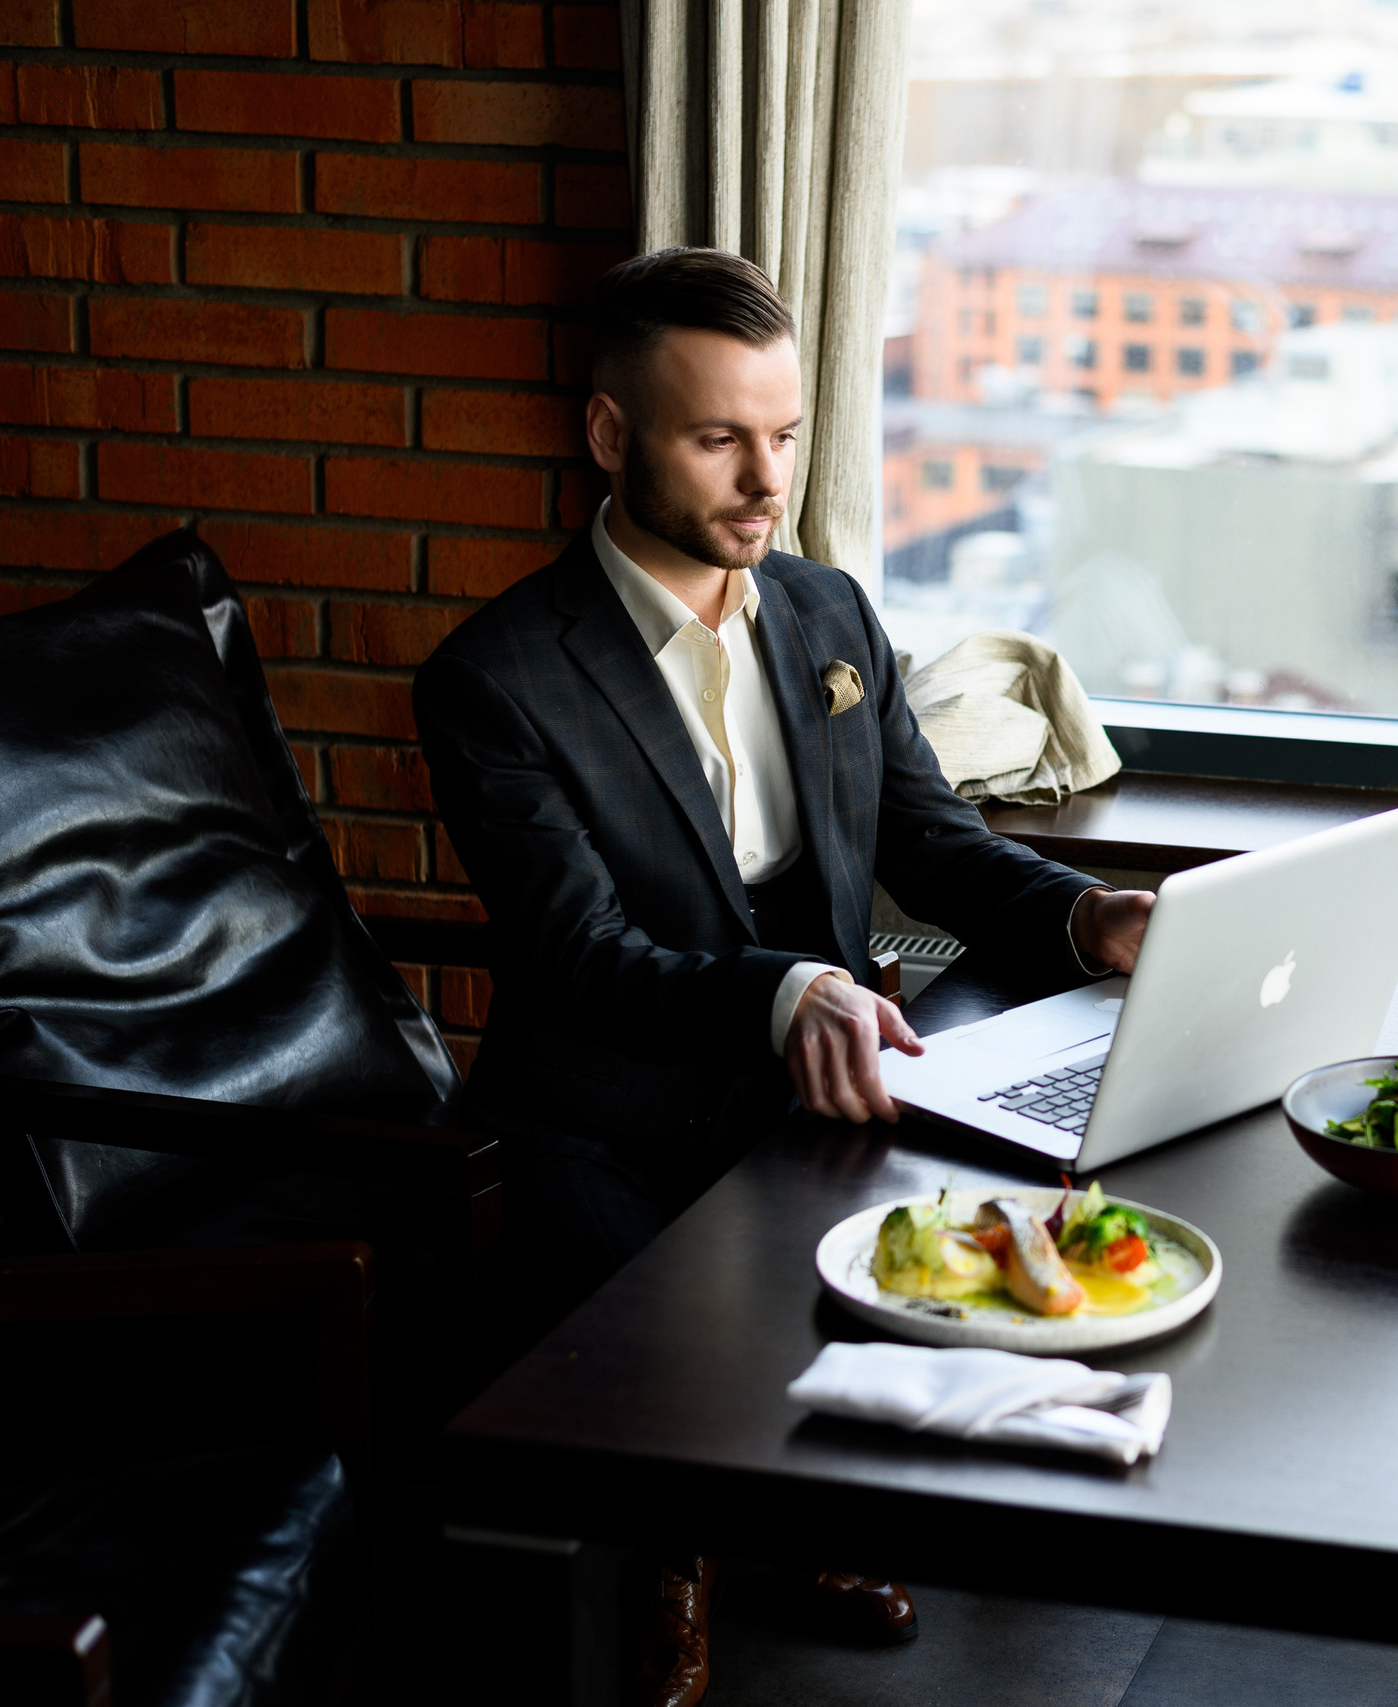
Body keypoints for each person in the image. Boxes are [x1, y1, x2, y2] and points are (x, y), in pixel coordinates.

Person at [413, 247, 1154, 1706]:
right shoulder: (493, 677)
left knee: (967, 1239)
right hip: (601, 1101)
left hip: (814, 1069)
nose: (767, 479)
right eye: (718, 439)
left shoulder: (829, 617)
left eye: (787, 435)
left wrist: (1084, 921)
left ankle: (818, 1518)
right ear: (612, 438)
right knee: (660, 1328)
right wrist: (781, 991)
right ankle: (670, 1563)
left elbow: (934, 848)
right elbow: (576, 956)